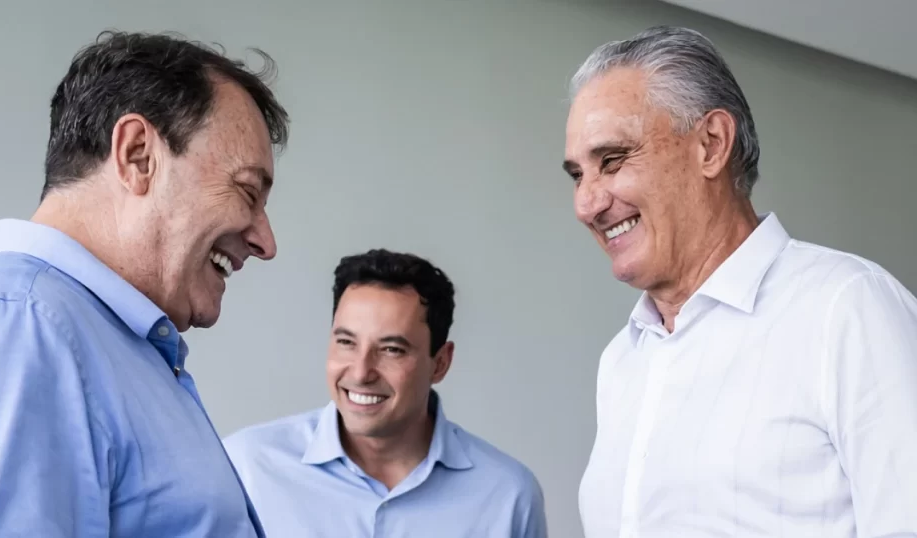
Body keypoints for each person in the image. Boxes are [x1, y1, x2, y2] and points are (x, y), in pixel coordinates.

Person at [0, 31, 290, 537]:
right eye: (247, 191)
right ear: (138, 155)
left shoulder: (74, 337)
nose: (265, 242)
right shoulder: (17, 327)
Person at [565, 25, 917, 537]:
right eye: (577, 175)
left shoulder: (847, 308)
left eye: (612, 161)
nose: (586, 204)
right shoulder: (622, 359)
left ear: (711, 145)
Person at [223, 248, 548, 537]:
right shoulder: (246, 467)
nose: (361, 372)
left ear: (440, 363)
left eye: (392, 349)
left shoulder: (508, 496)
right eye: (346, 342)